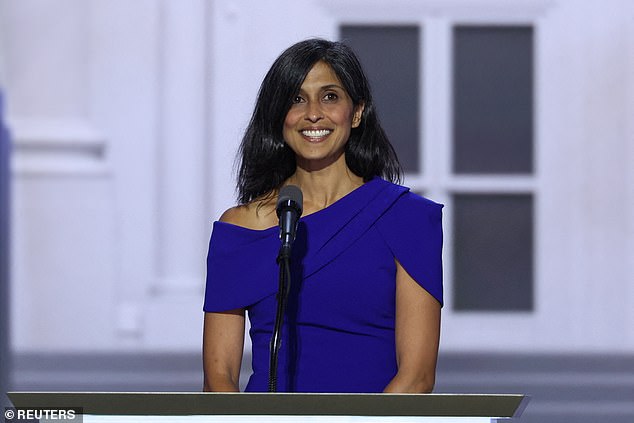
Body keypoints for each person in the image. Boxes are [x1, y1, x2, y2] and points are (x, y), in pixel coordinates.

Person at [202, 38, 443, 393]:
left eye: (330, 96)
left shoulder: (407, 218)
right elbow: (218, 377)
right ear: (279, 117)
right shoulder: (240, 228)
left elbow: (417, 378)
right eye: (296, 99)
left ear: (357, 112)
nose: (313, 113)